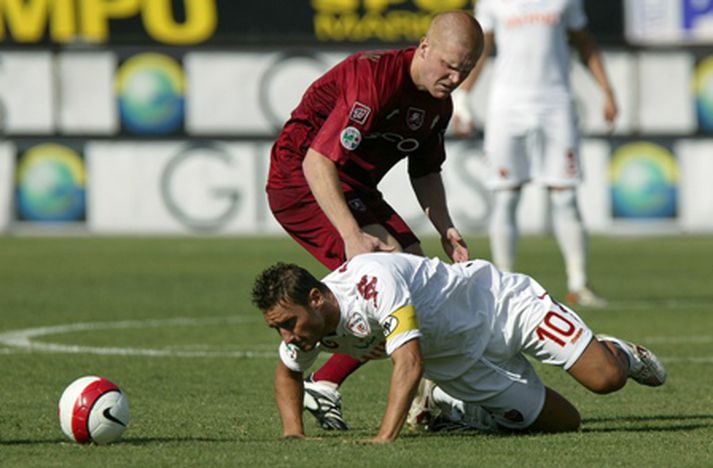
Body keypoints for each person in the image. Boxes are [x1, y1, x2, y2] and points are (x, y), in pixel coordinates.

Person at [266, 12, 484, 430]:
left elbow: (425, 171)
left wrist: (445, 227)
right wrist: (351, 235)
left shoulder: (439, 105)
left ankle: (429, 402)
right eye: (449, 65)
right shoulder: (374, 80)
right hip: (300, 181)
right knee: (388, 280)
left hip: (352, 184)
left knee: (421, 276)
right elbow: (318, 161)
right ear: (424, 47)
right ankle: (324, 383)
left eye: (466, 70)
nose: (455, 77)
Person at [251, 252, 667, 443]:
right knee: (565, 423)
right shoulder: (306, 325)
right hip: (461, 367)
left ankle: (618, 351)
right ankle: (457, 408)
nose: (288, 336)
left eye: (288, 324)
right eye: (278, 329)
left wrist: (383, 439)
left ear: (317, 299)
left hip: (503, 307)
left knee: (605, 378)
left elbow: (409, 364)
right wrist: (293, 436)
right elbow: (288, 371)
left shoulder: (371, 280)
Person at [451, 0, 618, 307]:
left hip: (556, 103)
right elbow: (482, 50)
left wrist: (607, 91)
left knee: (565, 195)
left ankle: (578, 282)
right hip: (507, 105)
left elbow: (585, 43)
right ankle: (502, 283)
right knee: (506, 194)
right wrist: (462, 98)